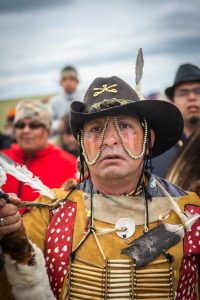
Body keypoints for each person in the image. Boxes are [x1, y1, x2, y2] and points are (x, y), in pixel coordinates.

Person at [0, 74, 199, 300]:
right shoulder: (48, 213)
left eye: (124, 126)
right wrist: (8, 238)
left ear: (148, 141)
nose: (110, 140)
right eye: (96, 129)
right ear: (82, 145)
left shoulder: (191, 212)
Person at [1, 99, 77, 203]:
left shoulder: (70, 164)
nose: (26, 130)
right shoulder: (2, 160)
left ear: (48, 130)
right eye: (20, 125)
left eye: (34, 125)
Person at [153, 63, 200, 178]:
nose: (191, 97)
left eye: (198, 91)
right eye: (183, 93)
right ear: (173, 101)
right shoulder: (158, 151)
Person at [51, 66, 82, 135]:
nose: (68, 82)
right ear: (60, 83)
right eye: (64, 79)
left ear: (77, 81)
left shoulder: (84, 98)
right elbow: (50, 122)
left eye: (72, 79)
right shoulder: (55, 101)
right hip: (62, 135)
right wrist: (58, 125)